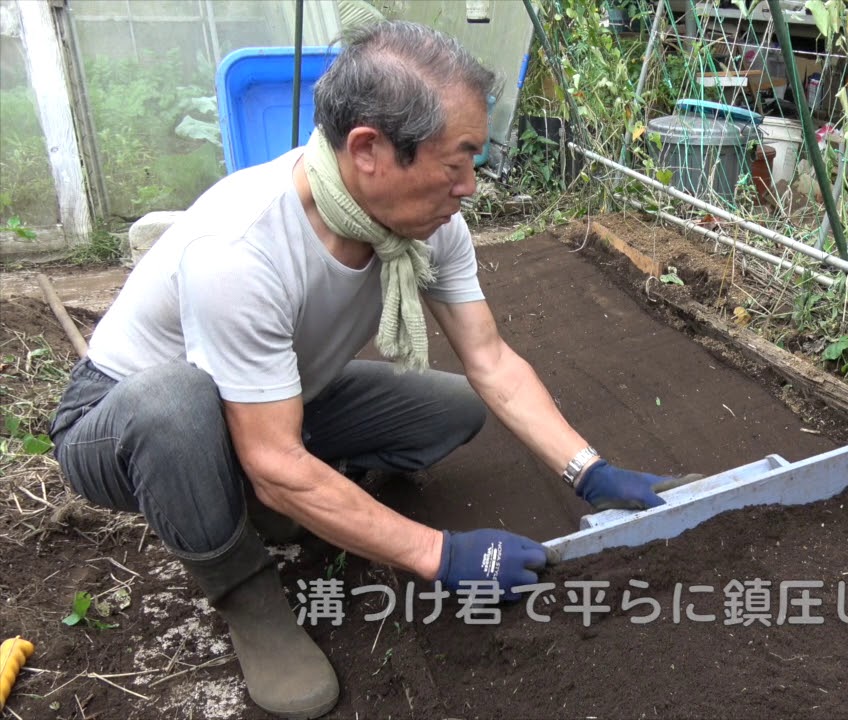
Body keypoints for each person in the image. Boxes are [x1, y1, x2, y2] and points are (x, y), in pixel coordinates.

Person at [49, 21, 681, 720]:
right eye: (458, 160)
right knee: (180, 406)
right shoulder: (238, 248)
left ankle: (262, 498)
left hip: (277, 394)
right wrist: (438, 555)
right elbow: (272, 456)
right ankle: (244, 590)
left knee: (452, 407)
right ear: (370, 150)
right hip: (120, 421)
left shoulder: (428, 228)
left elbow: (491, 360)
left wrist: (589, 472)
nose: (469, 186)